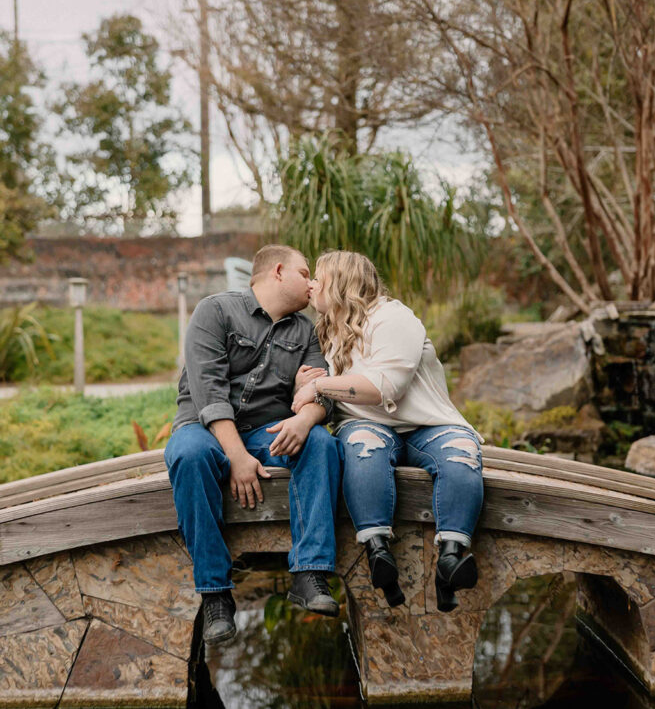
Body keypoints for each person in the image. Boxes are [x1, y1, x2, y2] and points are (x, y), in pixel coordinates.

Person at [165, 244, 343, 647]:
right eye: (305, 273)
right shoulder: (216, 311)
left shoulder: (307, 331)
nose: (312, 283)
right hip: (204, 428)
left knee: (321, 444)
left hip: (267, 430)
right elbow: (208, 393)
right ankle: (215, 594)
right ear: (278, 271)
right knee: (188, 455)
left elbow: (324, 394)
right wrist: (237, 457)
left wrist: (304, 418)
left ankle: (309, 572)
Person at [292, 250, 484, 612]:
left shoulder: (393, 317)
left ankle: (452, 558)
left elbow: (385, 388)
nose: (312, 284)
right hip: (369, 425)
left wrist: (320, 387)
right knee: (363, 451)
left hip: (429, 423)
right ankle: (378, 550)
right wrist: (302, 387)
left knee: (462, 453)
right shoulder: (323, 331)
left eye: (319, 276)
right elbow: (313, 394)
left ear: (342, 282)